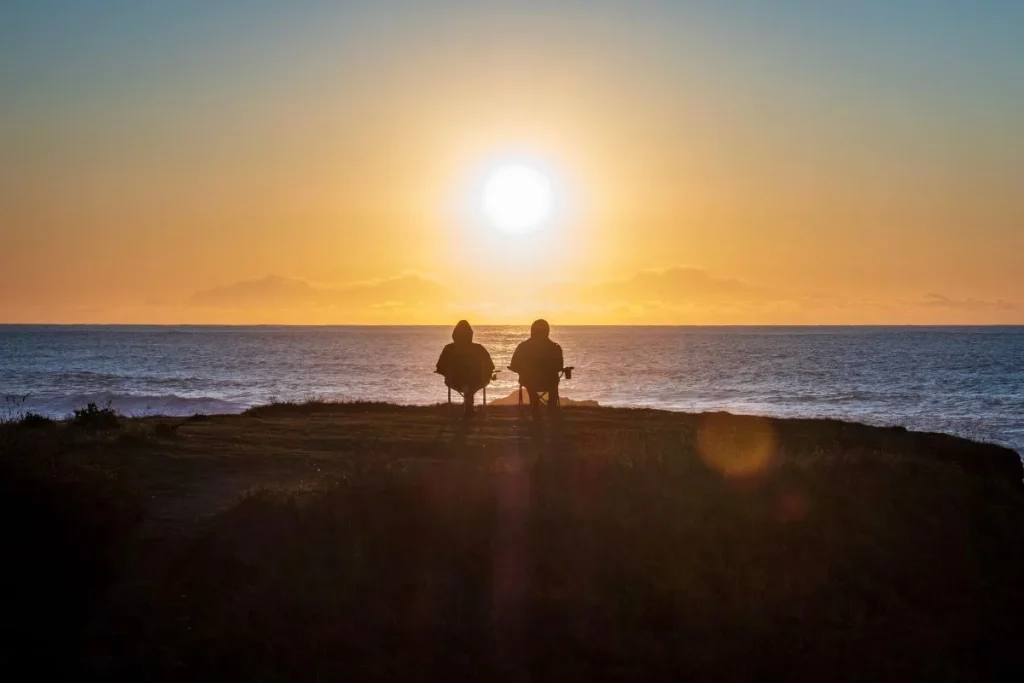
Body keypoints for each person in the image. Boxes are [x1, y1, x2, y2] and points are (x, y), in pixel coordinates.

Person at [435, 320, 495, 417]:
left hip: (454, 380)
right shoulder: (479, 349)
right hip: (478, 380)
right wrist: (488, 374)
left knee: (467, 385)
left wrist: (447, 374)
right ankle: (469, 409)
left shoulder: (449, 349)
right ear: (470, 334)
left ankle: (468, 408)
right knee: (470, 386)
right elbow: (490, 366)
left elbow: (440, 367)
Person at [509, 319, 564, 417]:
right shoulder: (555, 347)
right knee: (553, 382)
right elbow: (559, 367)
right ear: (547, 332)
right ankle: (552, 406)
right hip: (549, 382)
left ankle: (535, 406)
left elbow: (514, 365)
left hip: (529, 381)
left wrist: (521, 370)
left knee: (529, 381)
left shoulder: (523, 347)